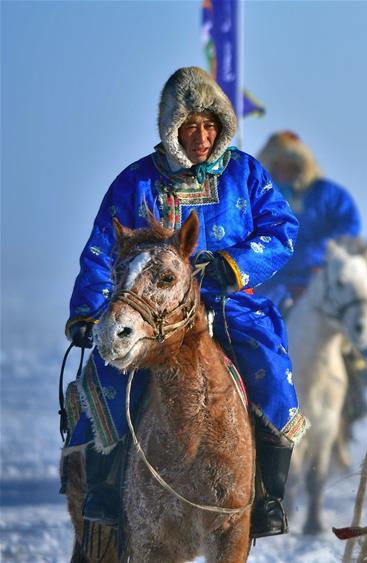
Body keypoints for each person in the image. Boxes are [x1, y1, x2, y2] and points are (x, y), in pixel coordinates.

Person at [64, 67, 304, 538]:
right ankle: (106, 489)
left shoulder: (244, 172)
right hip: (151, 313)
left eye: (210, 125)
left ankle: (268, 498)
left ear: (222, 126)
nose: (201, 136)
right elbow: (100, 250)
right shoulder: (136, 182)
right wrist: (88, 312)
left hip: (228, 303)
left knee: (272, 374)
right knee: (105, 376)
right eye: (190, 126)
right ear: (172, 130)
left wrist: (232, 265)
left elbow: (282, 230)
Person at [256, 131, 362, 311]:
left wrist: (324, 251)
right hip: (277, 281)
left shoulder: (326, 193)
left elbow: (350, 226)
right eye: (278, 166)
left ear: (300, 166)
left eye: (289, 165)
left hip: (320, 275)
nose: (283, 171)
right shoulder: (265, 198)